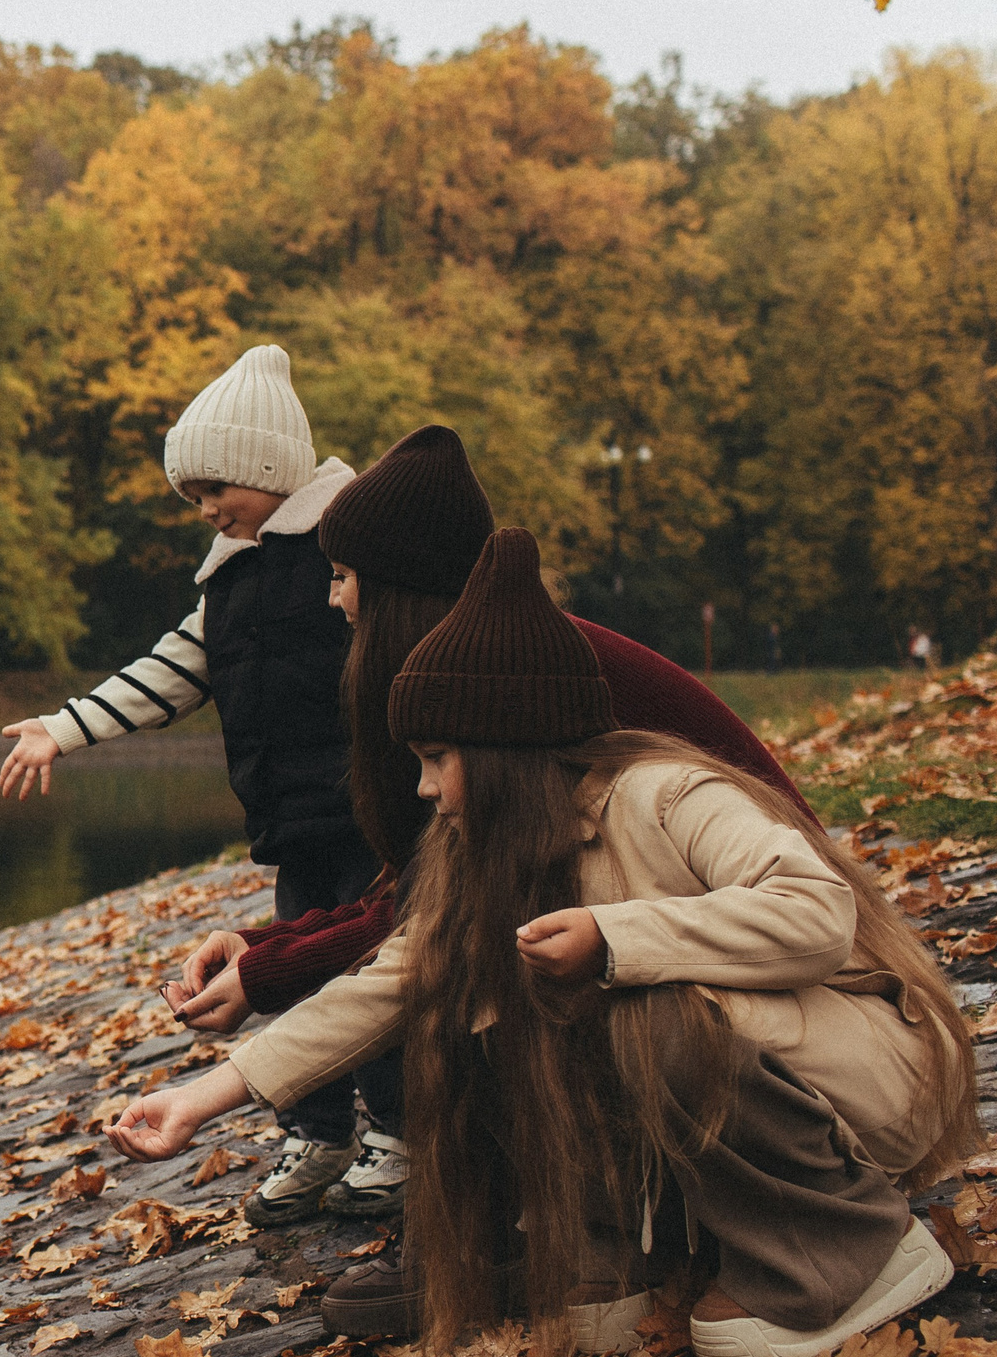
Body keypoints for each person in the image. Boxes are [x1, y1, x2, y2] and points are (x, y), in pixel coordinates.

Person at [106, 529, 979, 1357]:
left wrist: (616, 937)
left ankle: (857, 1244)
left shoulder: (666, 791)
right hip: (751, 1082)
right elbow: (388, 984)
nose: (424, 788)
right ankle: (619, 1240)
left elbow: (817, 912)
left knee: (646, 1003)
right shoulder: (489, 853)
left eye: (438, 757)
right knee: (476, 1006)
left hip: (861, 1080)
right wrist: (203, 1094)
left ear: (505, 747)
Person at [165, 426, 813, 1224]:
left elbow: (432, 919)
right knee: (476, 961)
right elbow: (416, 899)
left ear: (398, 582)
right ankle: (532, 1220)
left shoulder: (510, 686)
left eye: (340, 575)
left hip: (746, 949)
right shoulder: (449, 686)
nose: (330, 597)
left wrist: (270, 972)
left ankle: (539, 1219)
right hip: (683, 924)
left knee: (489, 985)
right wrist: (266, 955)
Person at [0, 345, 375, 1226]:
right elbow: (170, 672)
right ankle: (315, 1131)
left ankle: (395, 1129)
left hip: (367, 811)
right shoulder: (228, 580)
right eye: (194, 495)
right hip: (289, 821)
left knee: (362, 967)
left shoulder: (344, 557)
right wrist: (65, 725)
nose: (205, 509)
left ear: (272, 470)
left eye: (216, 488)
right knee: (291, 970)